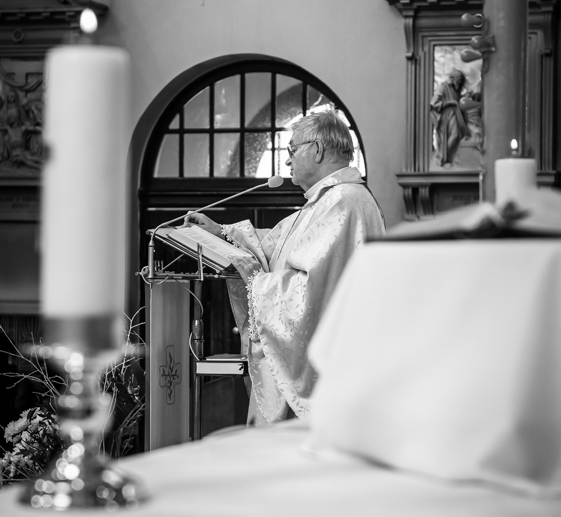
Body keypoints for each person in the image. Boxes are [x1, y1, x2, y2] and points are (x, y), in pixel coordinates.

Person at [184, 110, 386, 425]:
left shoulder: (343, 201)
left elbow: (312, 293)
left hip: (327, 372)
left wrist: (255, 281)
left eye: (292, 149)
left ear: (317, 150)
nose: (288, 160)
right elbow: (276, 247)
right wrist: (222, 233)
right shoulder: (327, 200)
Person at [430, 69, 470, 167]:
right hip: (446, 116)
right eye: (459, 79)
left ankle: (448, 157)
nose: (460, 82)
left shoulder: (455, 89)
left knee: (457, 135)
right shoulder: (443, 87)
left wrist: (464, 97)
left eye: (461, 80)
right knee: (454, 135)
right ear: (454, 78)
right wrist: (449, 103)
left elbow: (456, 99)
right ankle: (443, 157)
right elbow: (434, 103)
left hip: (455, 114)